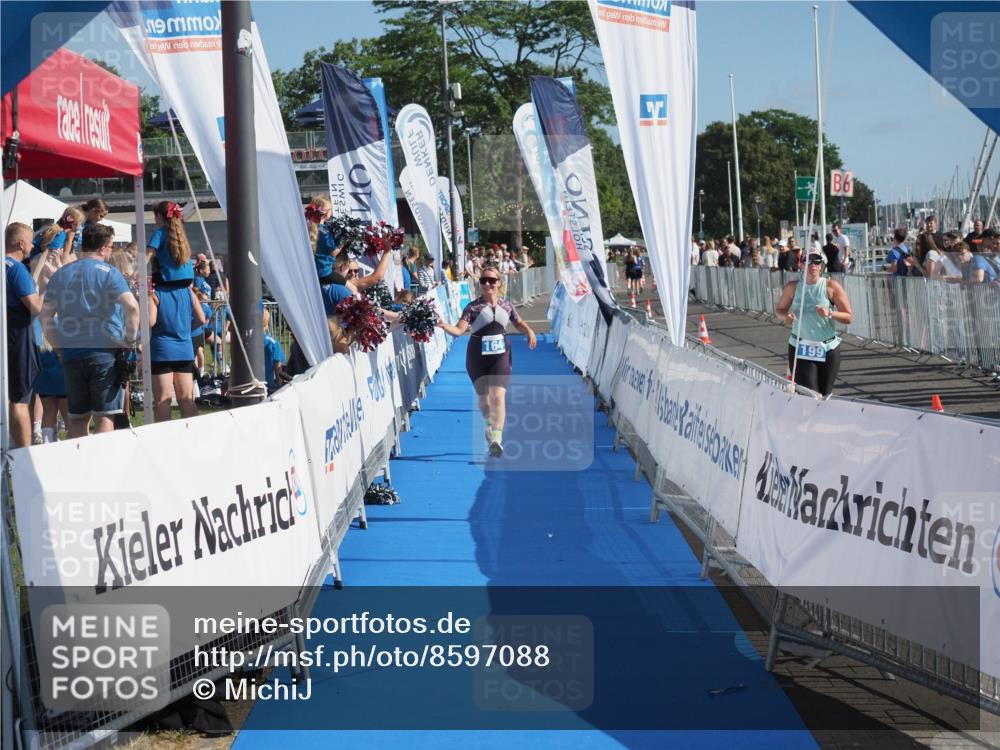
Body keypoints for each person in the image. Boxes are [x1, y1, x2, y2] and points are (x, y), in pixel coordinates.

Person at [40, 225, 140, 438]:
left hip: (72, 352)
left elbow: (46, 316)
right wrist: (128, 341)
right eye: (111, 247)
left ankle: (78, 467)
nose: (111, 252)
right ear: (103, 248)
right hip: (105, 352)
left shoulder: (61, 274)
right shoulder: (109, 273)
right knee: (104, 417)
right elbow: (132, 308)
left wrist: (59, 346)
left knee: (77, 417)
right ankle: (102, 467)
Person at [436, 262, 537, 456]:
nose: (488, 284)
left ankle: (497, 439)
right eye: (484, 281)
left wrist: (529, 331)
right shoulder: (473, 307)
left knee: (498, 397)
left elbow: (518, 322)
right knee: (484, 401)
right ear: (480, 284)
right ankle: (489, 425)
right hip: (477, 357)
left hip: (500, 356)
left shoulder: (506, 305)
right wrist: (443, 325)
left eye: (492, 280)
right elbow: (458, 330)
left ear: (499, 283)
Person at [146, 202, 204, 422]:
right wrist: (186, 329)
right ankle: (193, 439)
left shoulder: (157, 295)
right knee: (186, 400)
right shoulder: (188, 293)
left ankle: (163, 444)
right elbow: (201, 318)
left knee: (162, 401)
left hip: (162, 349)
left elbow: (150, 321)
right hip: (185, 347)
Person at [775, 251, 853, 397]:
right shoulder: (792, 287)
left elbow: (848, 317)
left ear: (821, 266)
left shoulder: (831, 287)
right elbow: (779, 310)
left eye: (816, 261)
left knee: (824, 395)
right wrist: (787, 316)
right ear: (801, 264)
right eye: (808, 261)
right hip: (801, 347)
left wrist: (830, 313)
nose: (812, 265)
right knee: (810, 395)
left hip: (828, 348)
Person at [5, 223, 42, 447]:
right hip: (17, 337)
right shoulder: (16, 268)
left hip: (6, 335)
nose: (32, 245)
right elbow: (34, 306)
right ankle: (24, 455)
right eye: (30, 241)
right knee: (20, 398)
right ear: (21, 243)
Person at [305, 195, 336, 283]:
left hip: (309, 270)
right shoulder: (325, 231)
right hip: (324, 271)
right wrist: (344, 241)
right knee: (353, 288)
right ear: (327, 213)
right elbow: (333, 252)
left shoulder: (306, 225)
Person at [262, 307, 289, 393]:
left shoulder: (246, 341)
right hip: (269, 386)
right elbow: (278, 368)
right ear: (267, 324)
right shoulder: (273, 343)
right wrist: (280, 384)